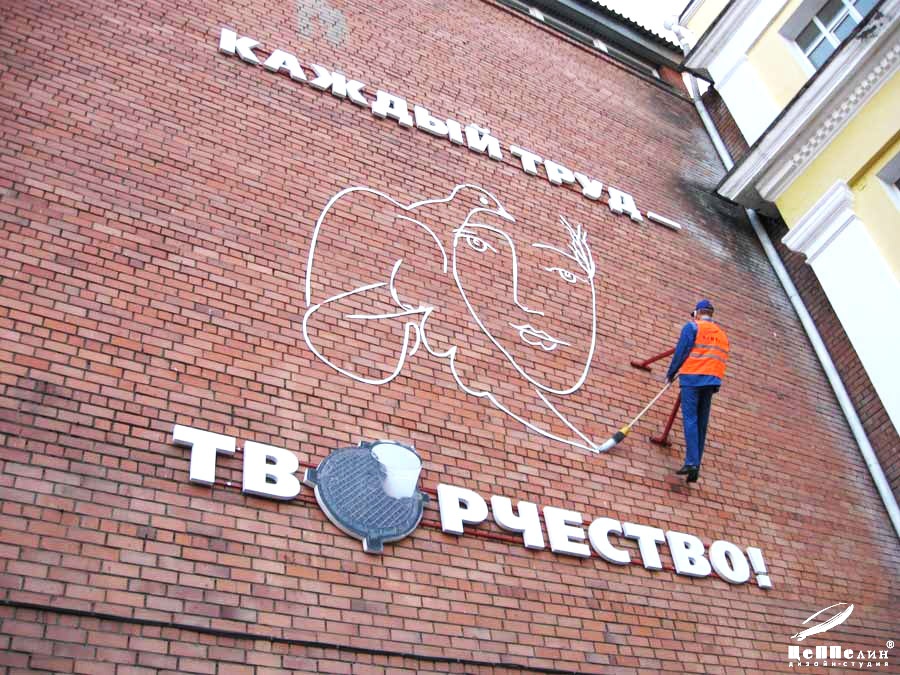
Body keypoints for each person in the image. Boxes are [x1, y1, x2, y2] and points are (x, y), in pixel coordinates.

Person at [665, 300, 730, 483]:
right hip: (711, 381)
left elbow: (681, 351)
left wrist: (671, 373)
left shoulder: (693, 327)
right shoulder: (722, 335)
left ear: (697, 313)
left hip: (692, 378)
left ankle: (692, 463)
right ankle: (696, 465)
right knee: (702, 423)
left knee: (690, 419)